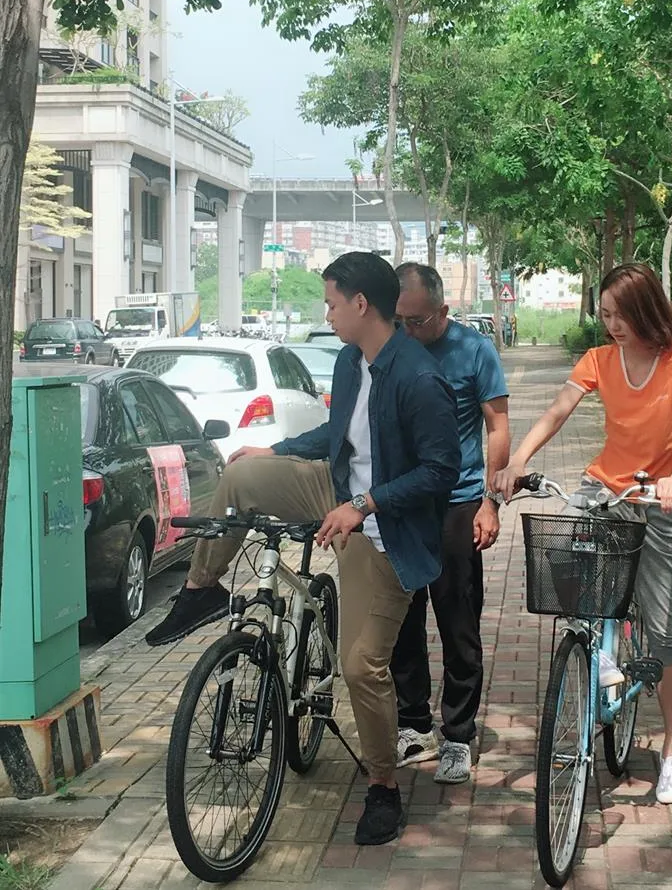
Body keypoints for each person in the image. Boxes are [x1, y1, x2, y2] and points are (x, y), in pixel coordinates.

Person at [145, 252, 461, 846]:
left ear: (361, 304)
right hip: (334, 488)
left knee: (361, 666)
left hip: (386, 530)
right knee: (240, 476)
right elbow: (336, 436)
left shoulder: (419, 378)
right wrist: (275, 449)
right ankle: (201, 589)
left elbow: (442, 471)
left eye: (332, 303)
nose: (328, 314)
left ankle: (383, 787)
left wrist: (364, 505)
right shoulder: (350, 360)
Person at [493, 263, 672, 806]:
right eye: (605, 314)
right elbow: (558, 411)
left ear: (646, 311)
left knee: (665, 632)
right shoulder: (598, 359)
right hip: (604, 487)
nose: (611, 325)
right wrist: (518, 460)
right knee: (567, 562)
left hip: (656, 497)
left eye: (620, 315)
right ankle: (599, 654)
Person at [390, 263, 510, 784]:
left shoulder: (473, 350)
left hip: (458, 501)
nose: (408, 330)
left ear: (442, 310)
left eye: (417, 321)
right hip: (401, 503)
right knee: (402, 620)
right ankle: (414, 725)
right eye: (400, 320)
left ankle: (458, 734)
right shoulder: (391, 347)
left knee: (458, 620)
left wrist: (491, 502)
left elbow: (498, 425)